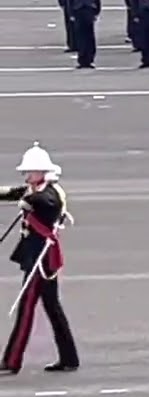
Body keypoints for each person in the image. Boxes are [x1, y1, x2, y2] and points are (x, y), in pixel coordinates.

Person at [2, 143, 79, 375]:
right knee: (53, 308)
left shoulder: (49, 193)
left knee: (26, 309)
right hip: (37, 257)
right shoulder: (34, 189)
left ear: (42, 172)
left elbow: (47, 203)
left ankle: (12, 361)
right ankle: (69, 358)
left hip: (41, 260)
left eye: (30, 172)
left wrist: (29, 202)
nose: (27, 176)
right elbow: (12, 193)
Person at [66, 0, 101, 70]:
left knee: (90, 36)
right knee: (80, 37)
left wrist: (97, 11)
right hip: (78, 11)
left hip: (89, 10)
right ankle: (82, 60)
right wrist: (71, 13)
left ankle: (90, 59)